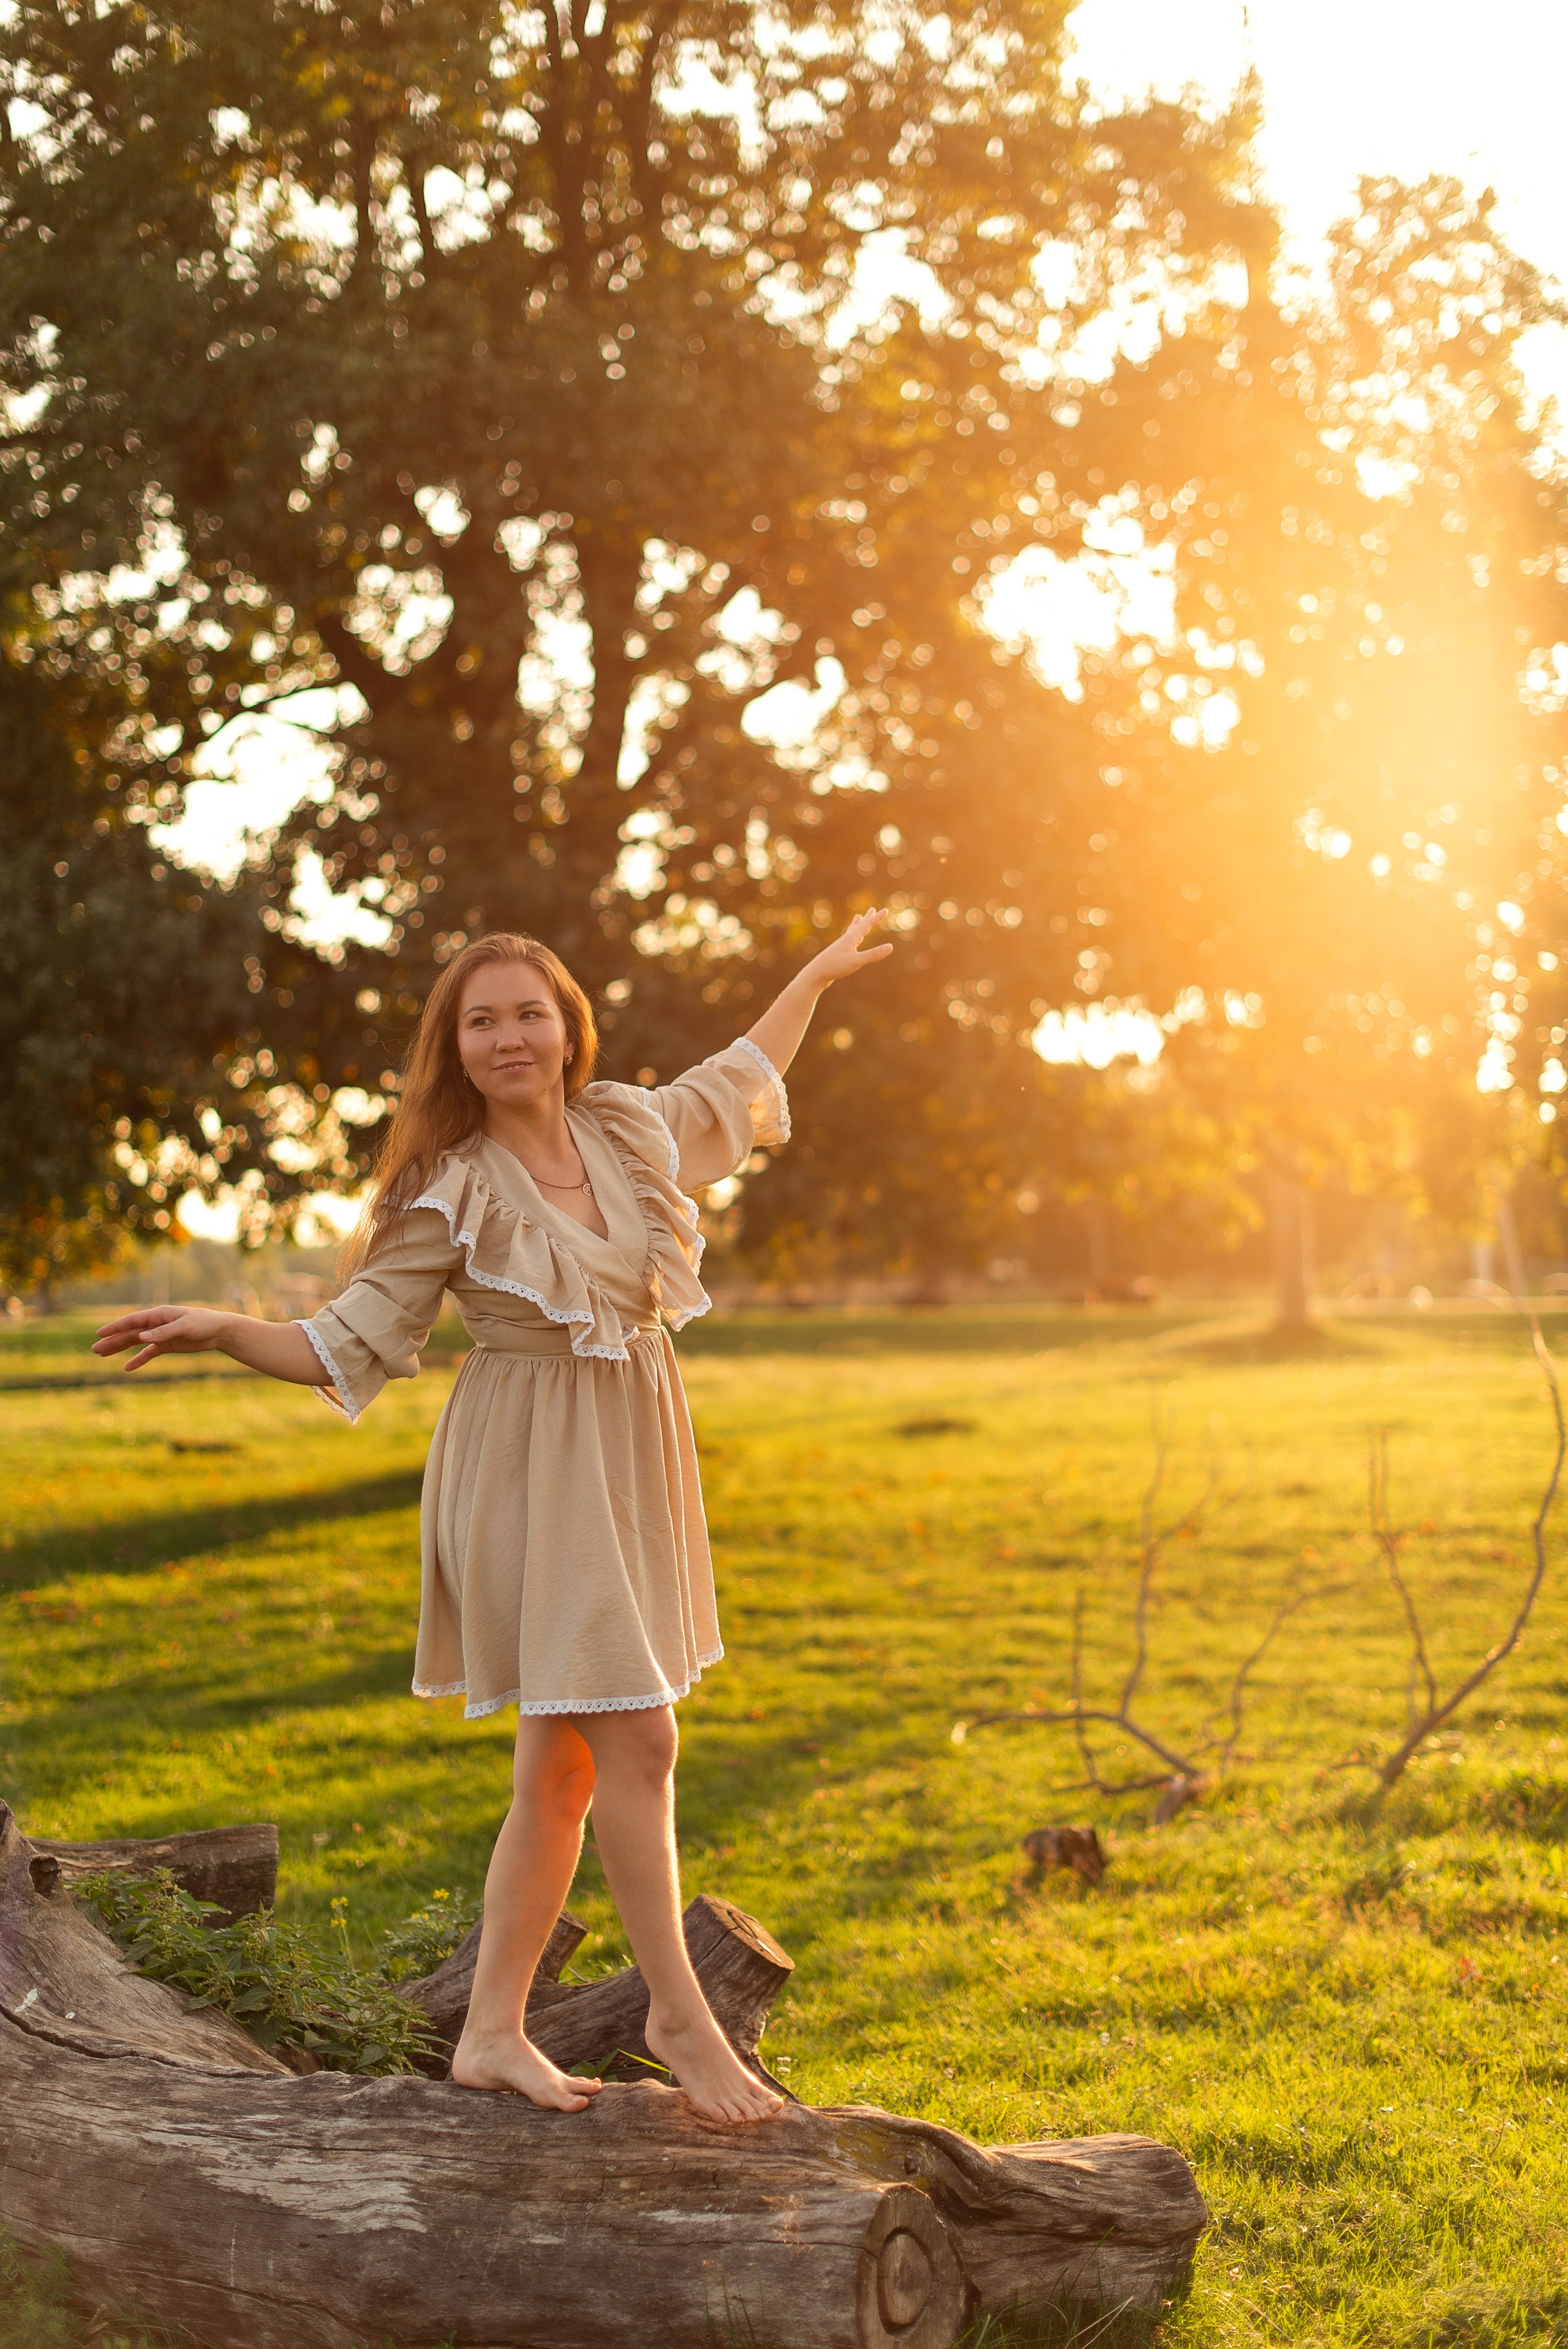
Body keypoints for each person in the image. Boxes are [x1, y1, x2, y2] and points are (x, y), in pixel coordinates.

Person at [92, 911, 892, 2124]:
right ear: (454, 1048)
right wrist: (220, 1327)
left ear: (568, 1030)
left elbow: (735, 1079)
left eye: (529, 1013)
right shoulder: (448, 1189)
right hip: (528, 1479)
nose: (509, 1036)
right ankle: (678, 2015)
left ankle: (489, 2031)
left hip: (622, 1465)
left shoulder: (625, 1128)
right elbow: (345, 1340)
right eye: (481, 1021)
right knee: (641, 1741)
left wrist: (814, 978)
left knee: (561, 1771)